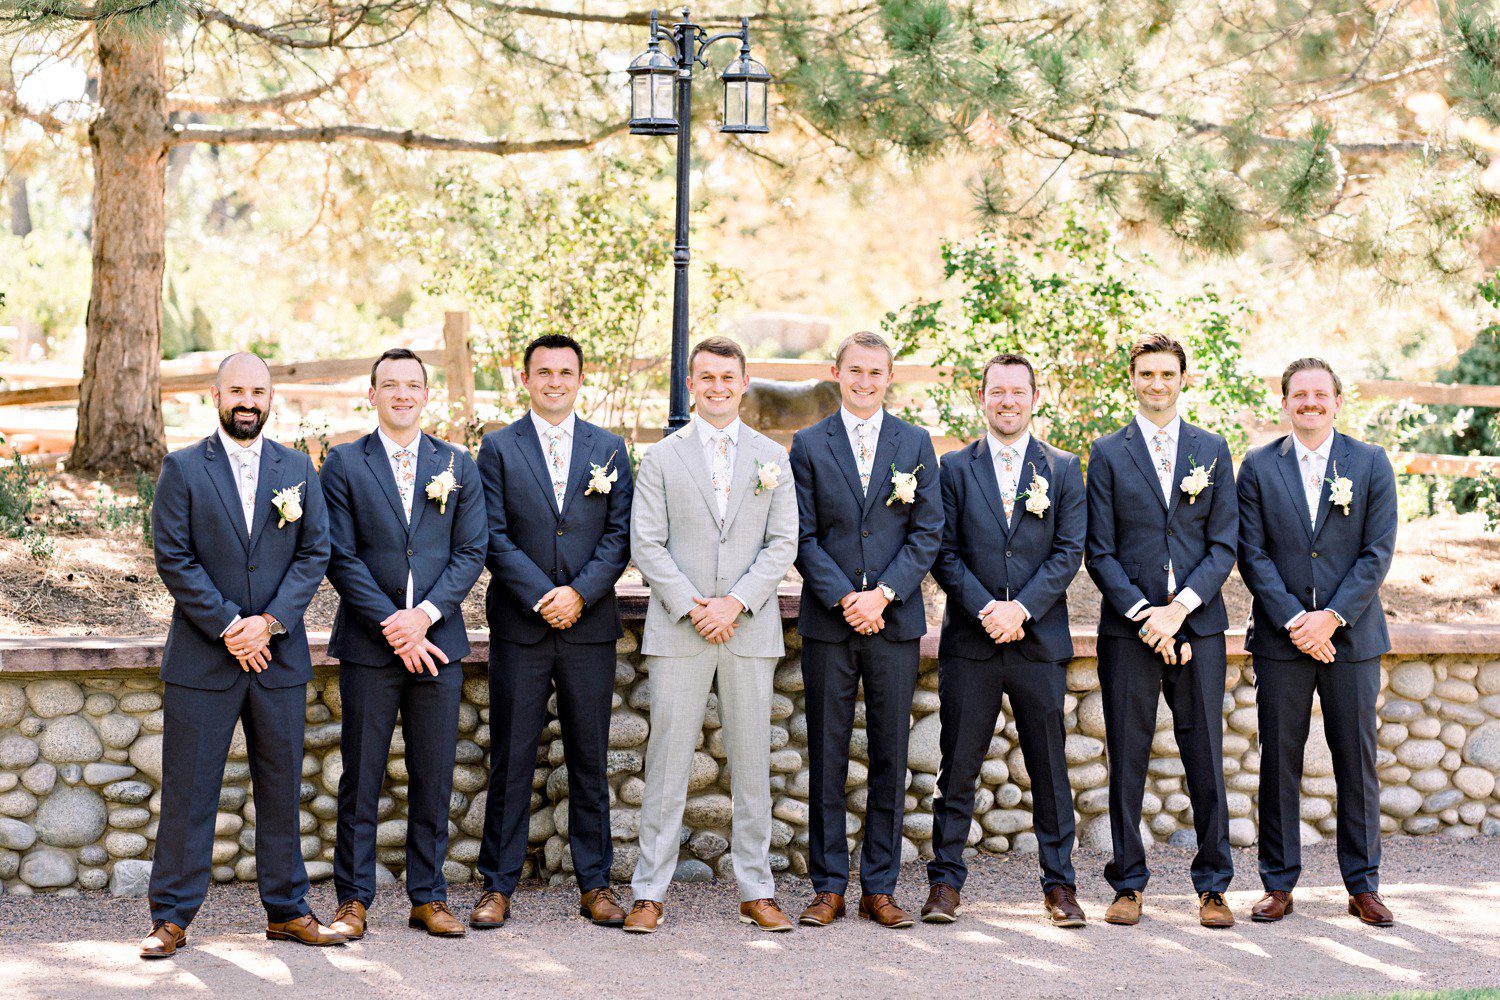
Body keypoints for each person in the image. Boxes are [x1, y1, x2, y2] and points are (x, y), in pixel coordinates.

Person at [142, 352, 343, 958]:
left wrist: (272, 623)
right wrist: (232, 625)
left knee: (282, 788)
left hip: (277, 657)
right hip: (205, 657)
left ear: (272, 395)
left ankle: (287, 911)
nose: (247, 400)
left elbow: (315, 553)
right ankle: (171, 917)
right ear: (215, 394)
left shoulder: (297, 468)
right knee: (190, 791)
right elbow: (173, 557)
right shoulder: (182, 469)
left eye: (258, 390)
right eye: (236, 390)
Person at [624, 336, 798, 933]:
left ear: (744, 383)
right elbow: (646, 542)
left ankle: (757, 890)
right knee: (667, 762)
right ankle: (649, 891)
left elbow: (783, 543)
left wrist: (737, 603)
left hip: (748, 628)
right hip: (681, 628)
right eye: (707, 377)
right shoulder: (663, 458)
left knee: (753, 764)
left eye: (729, 377)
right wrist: (695, 606)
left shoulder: (772, 455)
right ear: (691, 385)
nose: (718, 387)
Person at [320, 348, 486, 940]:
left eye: (412, 385)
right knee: (361, 775)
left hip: (437, 643)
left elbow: (471, 551)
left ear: (425, 394)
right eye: (389, 385)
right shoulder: (342, 463)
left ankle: (428, 896)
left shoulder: (457, 463)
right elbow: (339, 554)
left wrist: (424, 616)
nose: (402, 394)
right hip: (370, 643)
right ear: (372, 394)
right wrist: (394, 623)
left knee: (434, 774)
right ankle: (353, 899)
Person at [472, 334, 634, 929]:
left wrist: (579, 593)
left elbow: (620, 535)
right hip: (522, 623)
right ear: (525, 379)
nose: (555, 382)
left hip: (589, 626)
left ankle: (596, 885)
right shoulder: (497, 449)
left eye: (566, 372)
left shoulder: (610, 449)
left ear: (580, 379)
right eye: (544, 372)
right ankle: (497, 885)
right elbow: (492, 535)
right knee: (511, 757)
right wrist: (544, 594)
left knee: (589, 757)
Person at [926, 352, 1087, 927]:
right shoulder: (952, 469)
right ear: (983, 397)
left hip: (1038, 641)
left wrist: (1022, 608)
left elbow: (1069, 551)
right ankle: (944, 885)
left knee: (1049, 767)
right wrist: (985, 607)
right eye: (998, 391)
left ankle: (1060, 887)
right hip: (972, 641)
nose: (1008, 401)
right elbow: (941, 551)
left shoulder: (1064, 469)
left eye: (1018, 391)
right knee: (958, 767)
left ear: (1034, 398)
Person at [1084, 334, 1239, 928]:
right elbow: (1099, 551)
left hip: (1197, 627)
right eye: (1146, 374)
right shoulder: (1107, 452)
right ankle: (1127, 884)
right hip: (1130, 632)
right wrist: (1146, 615)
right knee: (1127, 754)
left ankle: (1214, 886)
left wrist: (1179, 611)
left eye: (1166, 374)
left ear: (1183, 379)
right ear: (1133, 379)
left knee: (1205, 754)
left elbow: (1223, 543)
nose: (1156, 383)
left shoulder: (1212, 449)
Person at [788, 331, 941, 929]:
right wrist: (846, 597)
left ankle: (880, 886)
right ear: (836, 372)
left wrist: (883, 594)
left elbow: (927, 532)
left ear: (889, 377)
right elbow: (800, 535)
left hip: (894, 619)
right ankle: (827, 886)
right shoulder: (807, 444)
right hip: (831, 621)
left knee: (890, 754)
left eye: (876, 373)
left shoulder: (916, 442)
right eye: (855, 370)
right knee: (826, 753)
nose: (865, 381)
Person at [1237, 357, 1398, 927]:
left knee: (1356, 762)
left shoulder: (1371, 461)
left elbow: (1377, 551)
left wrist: (1329, 617)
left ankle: (1363, 884)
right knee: (1279, 761)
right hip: (1283, 643)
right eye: (1299, 395)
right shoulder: (1257, 466)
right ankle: (1278, 885)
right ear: (1284, 403)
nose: (1309, 403)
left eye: (1320, 394)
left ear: (1336, 401)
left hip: (1351, 639)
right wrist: (1295, 621)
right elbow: (1250, 553)